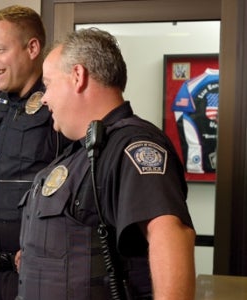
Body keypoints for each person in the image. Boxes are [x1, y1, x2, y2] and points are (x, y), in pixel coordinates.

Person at [15, 28, 196, 299]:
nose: (44, 98)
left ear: (78, 76)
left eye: (49, 84)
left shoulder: (131, 145)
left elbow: (170, 234)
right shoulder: (83, 152)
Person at [0, 5, 69, 299]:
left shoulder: (59, 107)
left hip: (39, 276)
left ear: (32, 48)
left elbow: (79, 190)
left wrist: (48, 245)